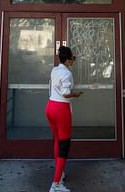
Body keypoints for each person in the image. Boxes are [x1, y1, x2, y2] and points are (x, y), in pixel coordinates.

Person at [46, 46, 83, 192]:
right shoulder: (67, 74)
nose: (73, 61)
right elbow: (66, 93)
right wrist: (76, 94)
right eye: (72, 58)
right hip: (61, 110)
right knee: (64, 145)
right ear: (67, 60)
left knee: (57, 140)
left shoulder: (54, 70)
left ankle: (59, 173)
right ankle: (56, 185)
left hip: (50, 107)